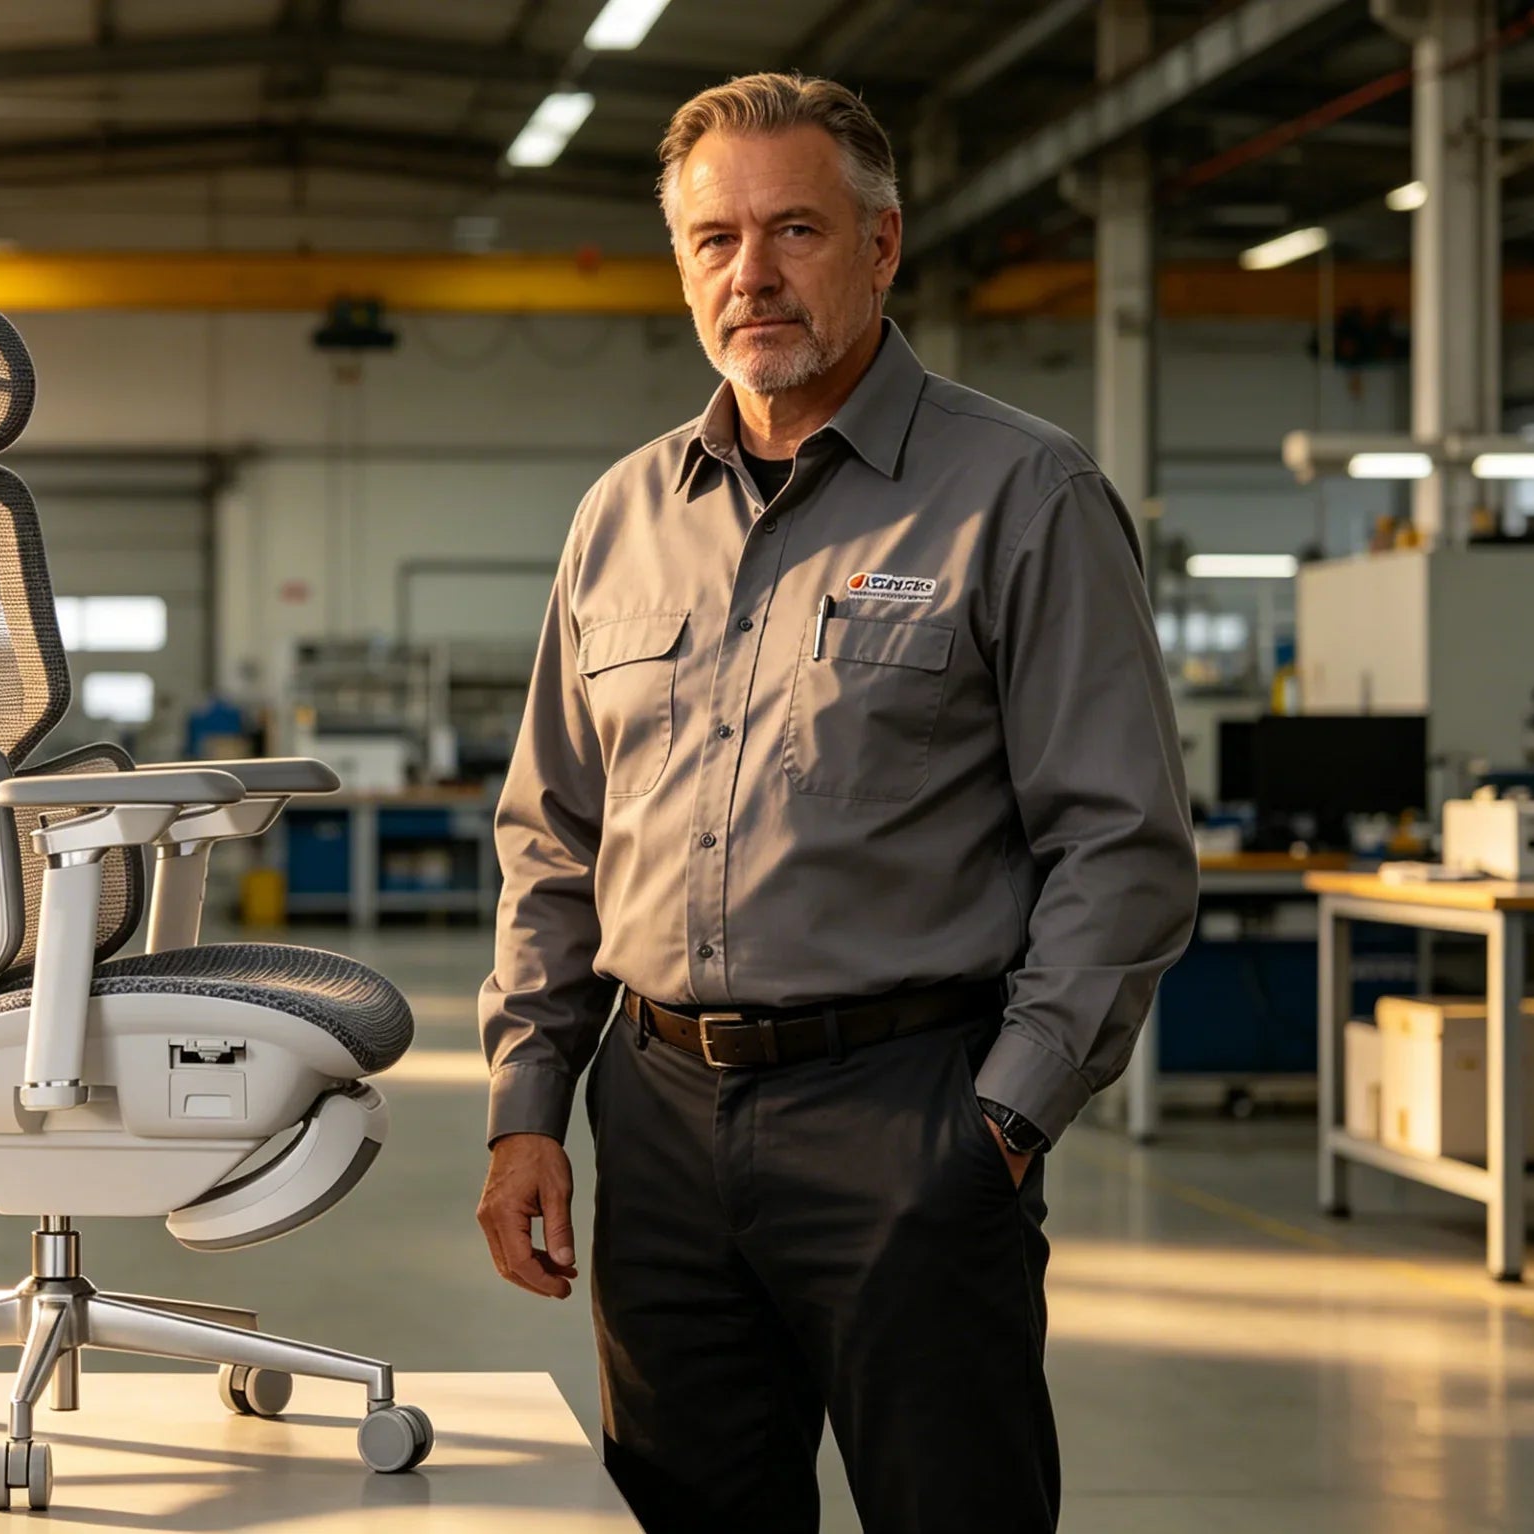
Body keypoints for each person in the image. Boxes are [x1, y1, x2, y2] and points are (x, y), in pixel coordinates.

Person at [474, 72, 1198, 1534]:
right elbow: (554, 833)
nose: (752, 275)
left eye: (794, 229)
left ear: (881, 245)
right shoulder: (622, 516)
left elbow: (1120, 844)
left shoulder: (1023, 494)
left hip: (910, 1116)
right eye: (714, 240)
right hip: (661, 1122)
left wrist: (1003, 1118)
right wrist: (526, 1101)